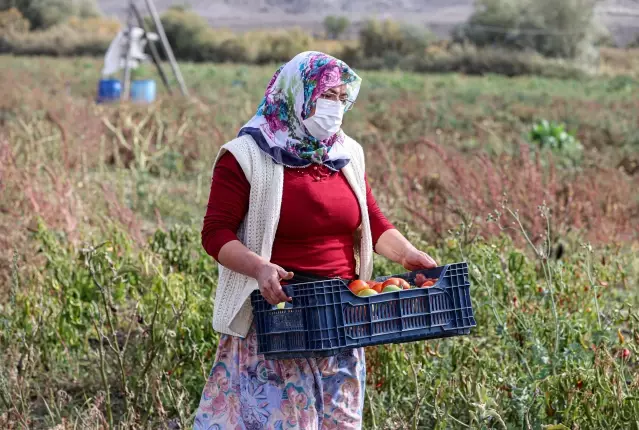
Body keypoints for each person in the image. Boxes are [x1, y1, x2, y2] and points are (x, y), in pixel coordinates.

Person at [194, 51, 437, 430]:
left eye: (343, 98)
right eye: (327, 95)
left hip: (341, 319)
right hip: (278, 320)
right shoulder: (247, 155)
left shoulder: (346, 154)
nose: (336, 107)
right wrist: (259, 268)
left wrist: (407, 254)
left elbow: (370, 221)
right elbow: (215, 234)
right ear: (298, 93)